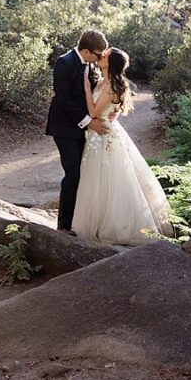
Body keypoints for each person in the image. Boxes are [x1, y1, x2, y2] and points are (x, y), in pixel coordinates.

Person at [70, 46, 173, 245]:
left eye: (105, 55)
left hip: (103, 134)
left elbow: (93, 113)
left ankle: (118, 226)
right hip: (99, 133)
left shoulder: (111, 86)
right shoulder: (102, 81)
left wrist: (85, 88)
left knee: (111, 178)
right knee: (97, 178)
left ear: (111, 63)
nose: (101, 56)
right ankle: (98, 223)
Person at [46, 27, 110, 231]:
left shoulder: (90, 66)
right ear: (87, 51)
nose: (99, 59)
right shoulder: (64, 62)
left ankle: (78, 221)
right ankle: (63, 226)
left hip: (83, 130)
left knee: (84, 173)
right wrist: (87, 121)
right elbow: (63, 99)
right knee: (72, 174)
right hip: (64, 128)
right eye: (98, 54)